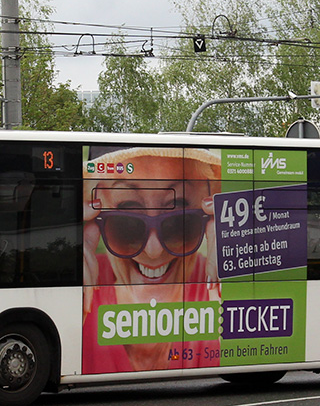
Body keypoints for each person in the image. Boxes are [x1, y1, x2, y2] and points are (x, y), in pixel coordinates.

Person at [81, 146, 221, 373]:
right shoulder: (82, 284)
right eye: (126, 221)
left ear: (207, 218)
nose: (153, 251)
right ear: (94, 219)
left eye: (179, 221)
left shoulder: (221, 281)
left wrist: (234, 304)